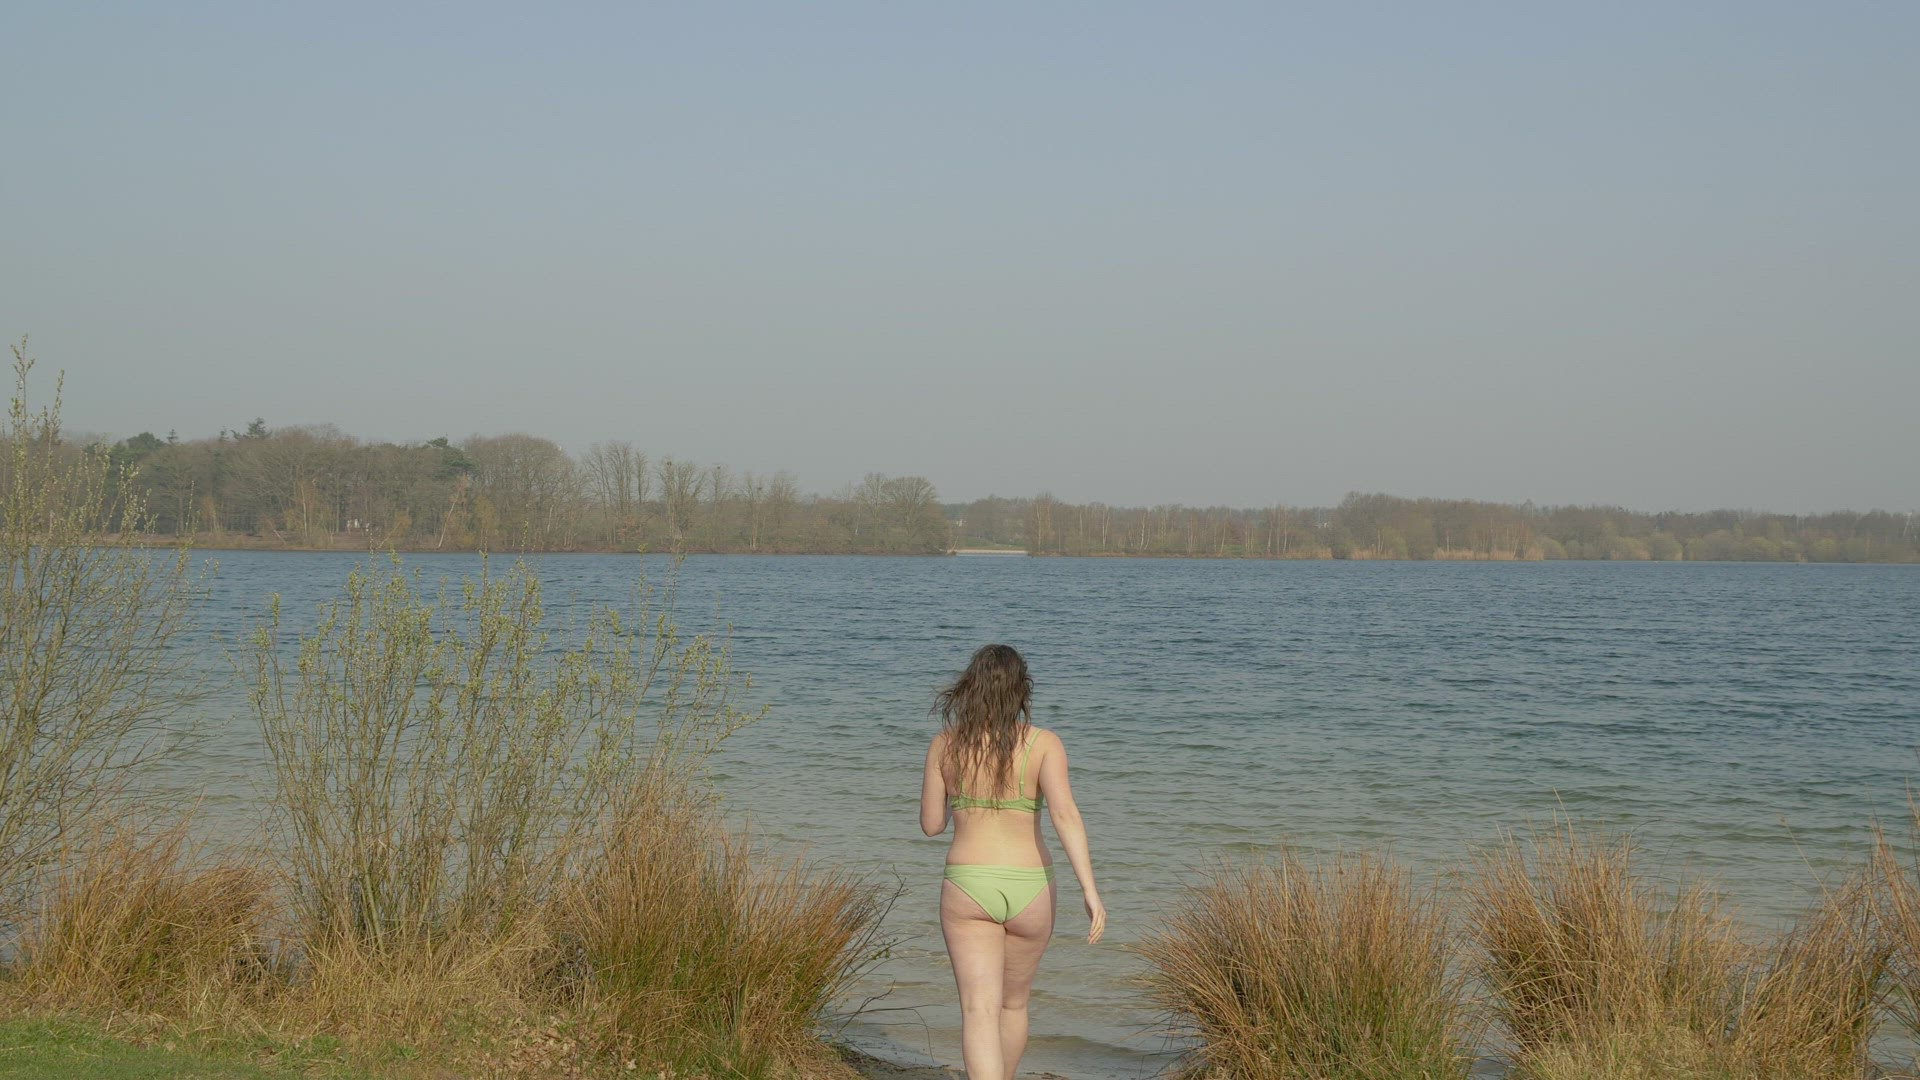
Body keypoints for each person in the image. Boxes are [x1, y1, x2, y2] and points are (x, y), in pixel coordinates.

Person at [920, 644, 1106, 1080]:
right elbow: (1065, 816)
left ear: (970, 687)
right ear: (1021, 690)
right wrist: (1090, 891)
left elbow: (931, 825)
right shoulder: (1044, 744)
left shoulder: (945, 745)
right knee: (1014, 1004)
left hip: (968, 885)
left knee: (978, 1009)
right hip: (1031, 886)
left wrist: (958, 796)